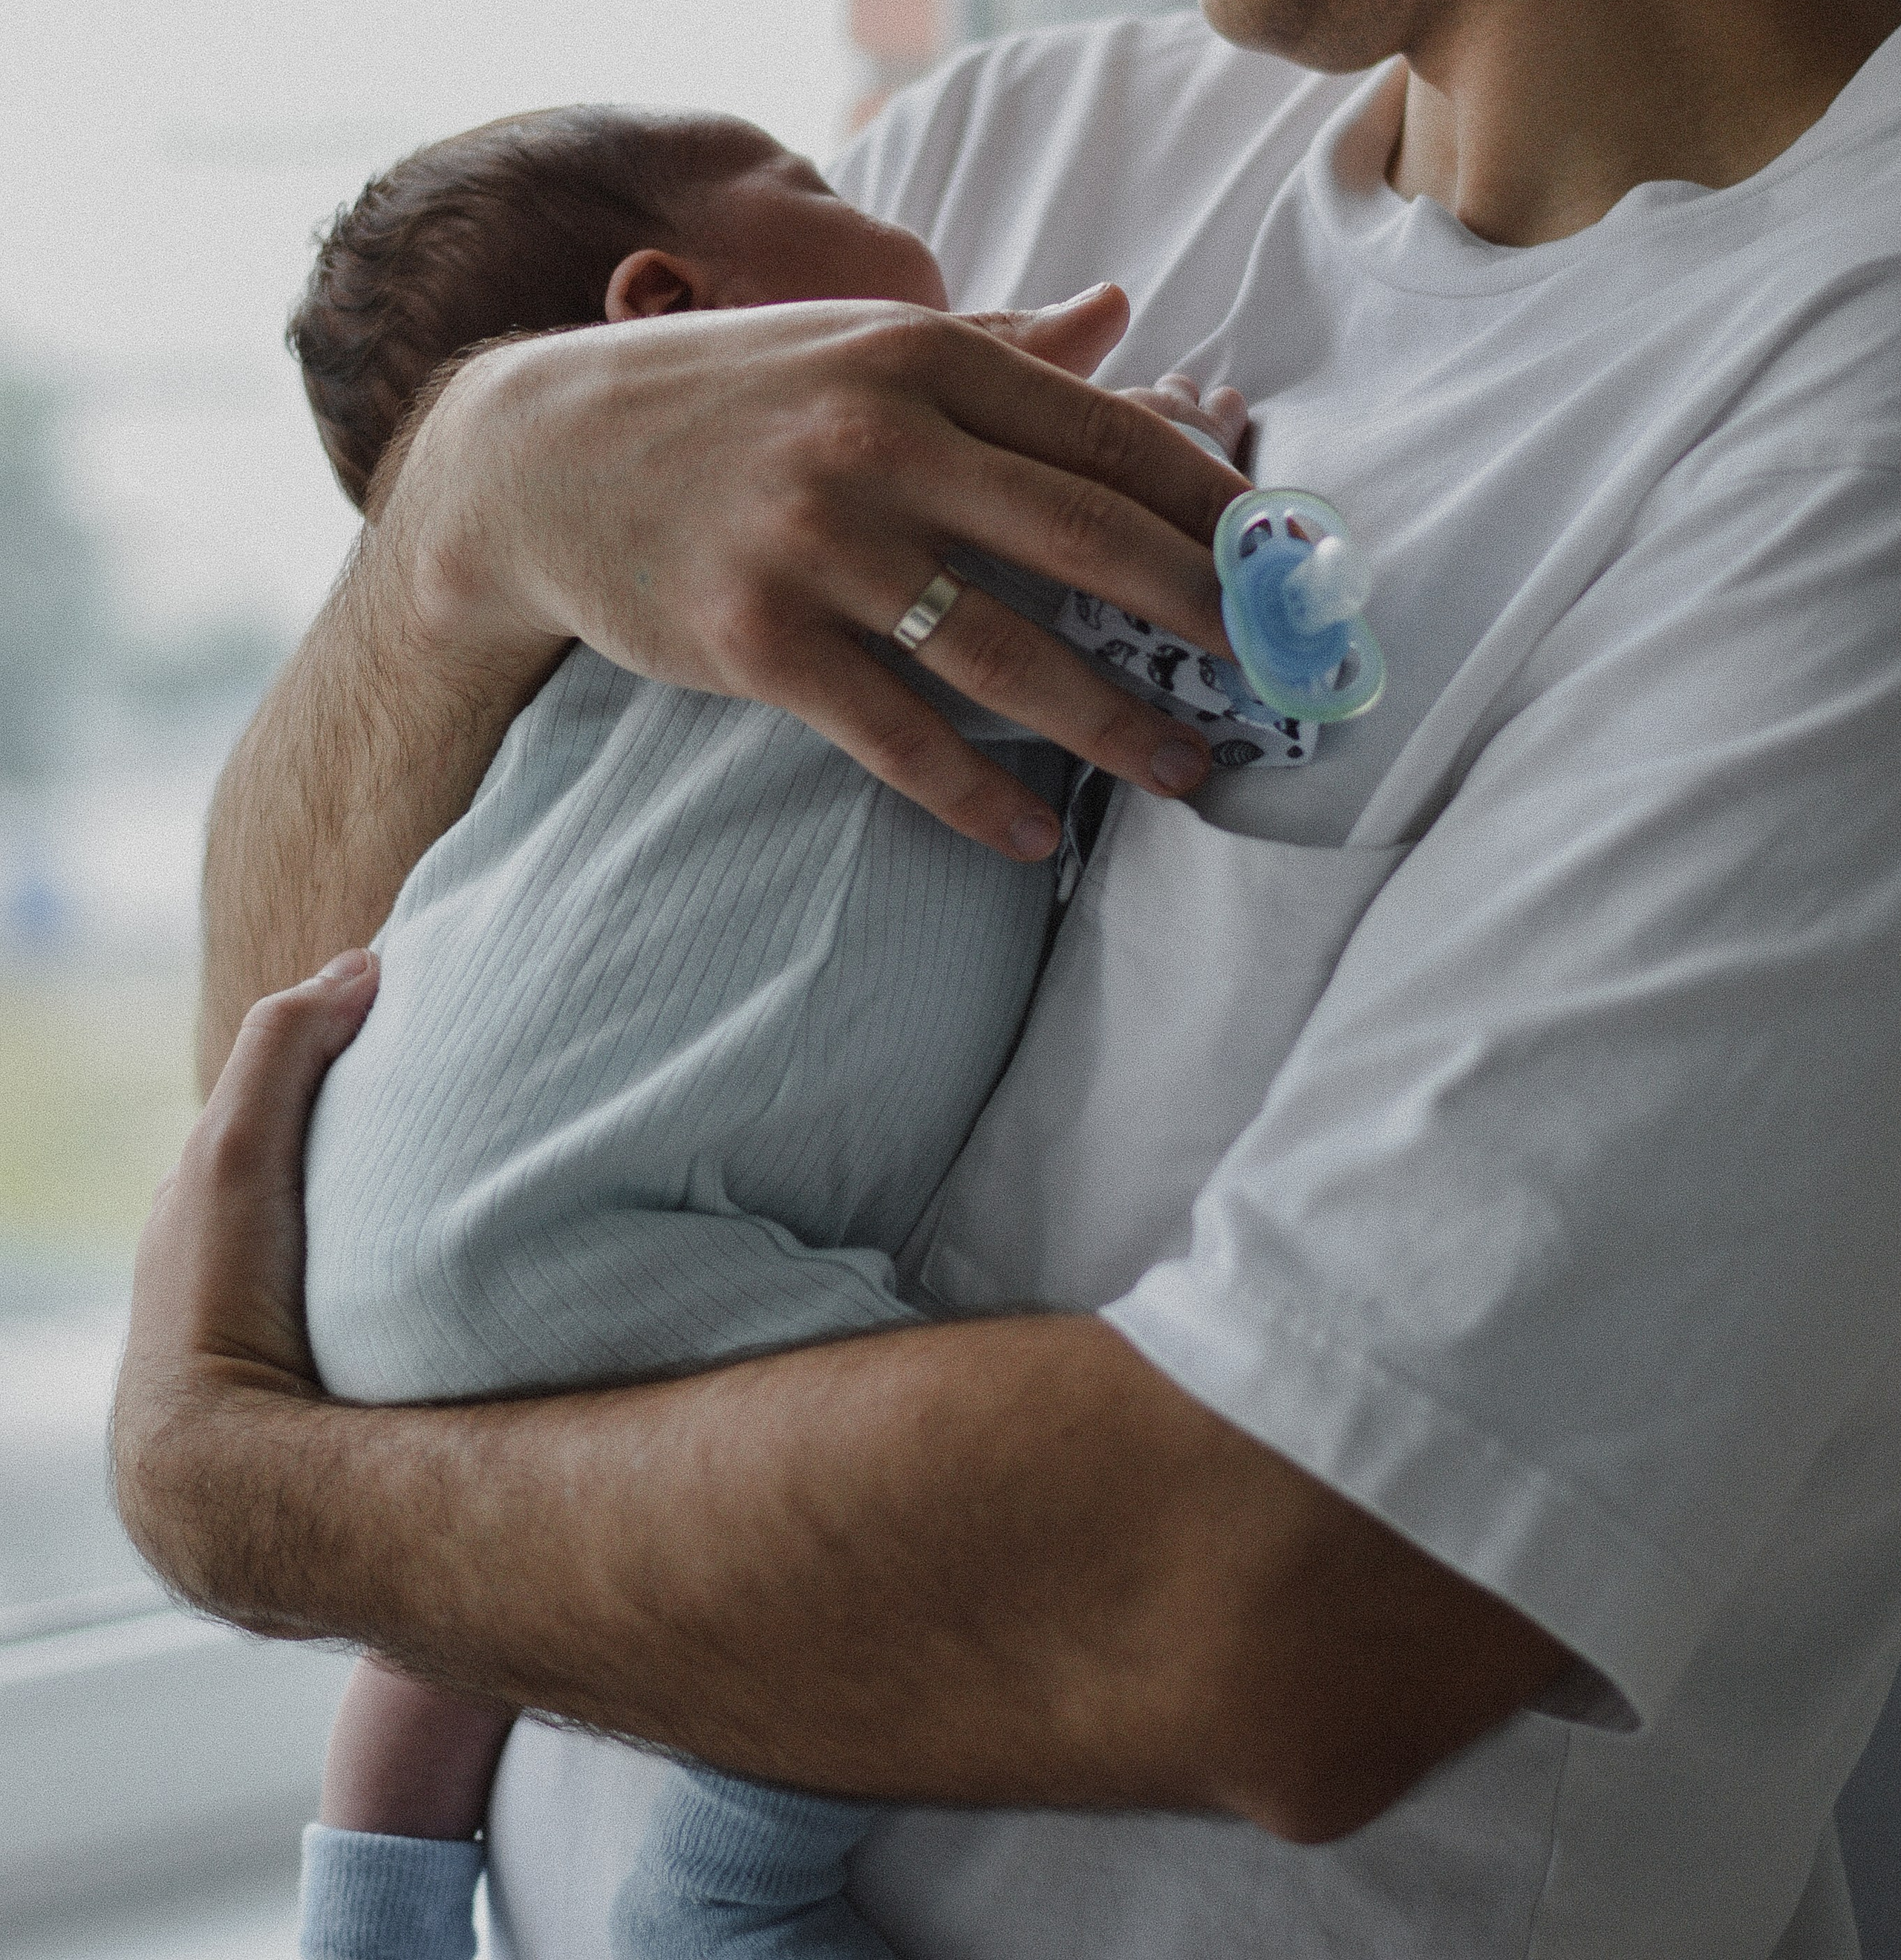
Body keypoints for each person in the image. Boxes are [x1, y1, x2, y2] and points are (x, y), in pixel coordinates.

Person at [113, 0, 1901, 1953]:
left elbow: (1262, 1604)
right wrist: (464, 523)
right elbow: (344, 1096)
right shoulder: (991, 180)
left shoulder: (1841, 422)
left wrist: (253, 1490)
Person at [281, 102, 1266, 1960]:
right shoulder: (846, 515)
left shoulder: (561, 647)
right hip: (579, 1234)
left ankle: (365, 1916)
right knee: (891, 1514)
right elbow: (1127, 580)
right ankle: (726, 1893)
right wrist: (1167, 452)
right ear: (667, 304)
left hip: (379, 1228)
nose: (875, 203)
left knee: (451, 1625)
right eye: (810, 189)